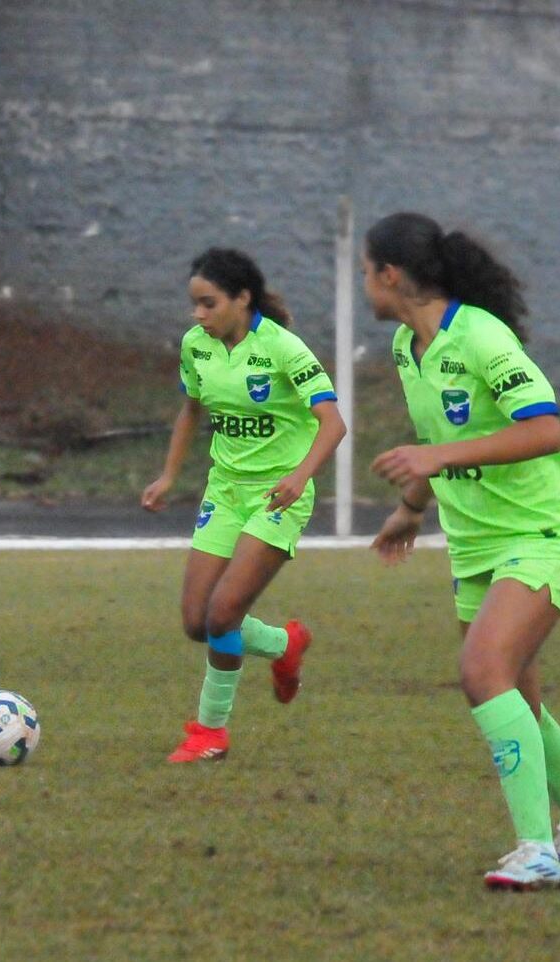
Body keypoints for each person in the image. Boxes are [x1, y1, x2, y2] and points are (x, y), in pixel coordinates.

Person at [362, 212, 560, 891]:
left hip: (543, 531)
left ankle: (537, 850)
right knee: (517, 693)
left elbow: (543, 430)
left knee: (483, 669)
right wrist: (411, 508)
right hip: (476, 544)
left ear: (390, 274)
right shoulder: (405, 348)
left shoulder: (481, 336)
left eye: (366, 271)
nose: (364, 282)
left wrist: (435, 457)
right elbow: (443, 435)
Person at [142, 248, 347, 763]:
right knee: (196, 621)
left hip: (277, 495)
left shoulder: (283, 349)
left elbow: (333, 423)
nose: (198, 315)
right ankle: (283, 645)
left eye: (208, 304)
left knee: (224, 612)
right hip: (225, 492)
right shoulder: (197, 346)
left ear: (242, 299)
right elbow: (191, 409)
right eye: (194, 305)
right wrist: (170, 474)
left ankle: (210, 732)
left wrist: (301, 477)